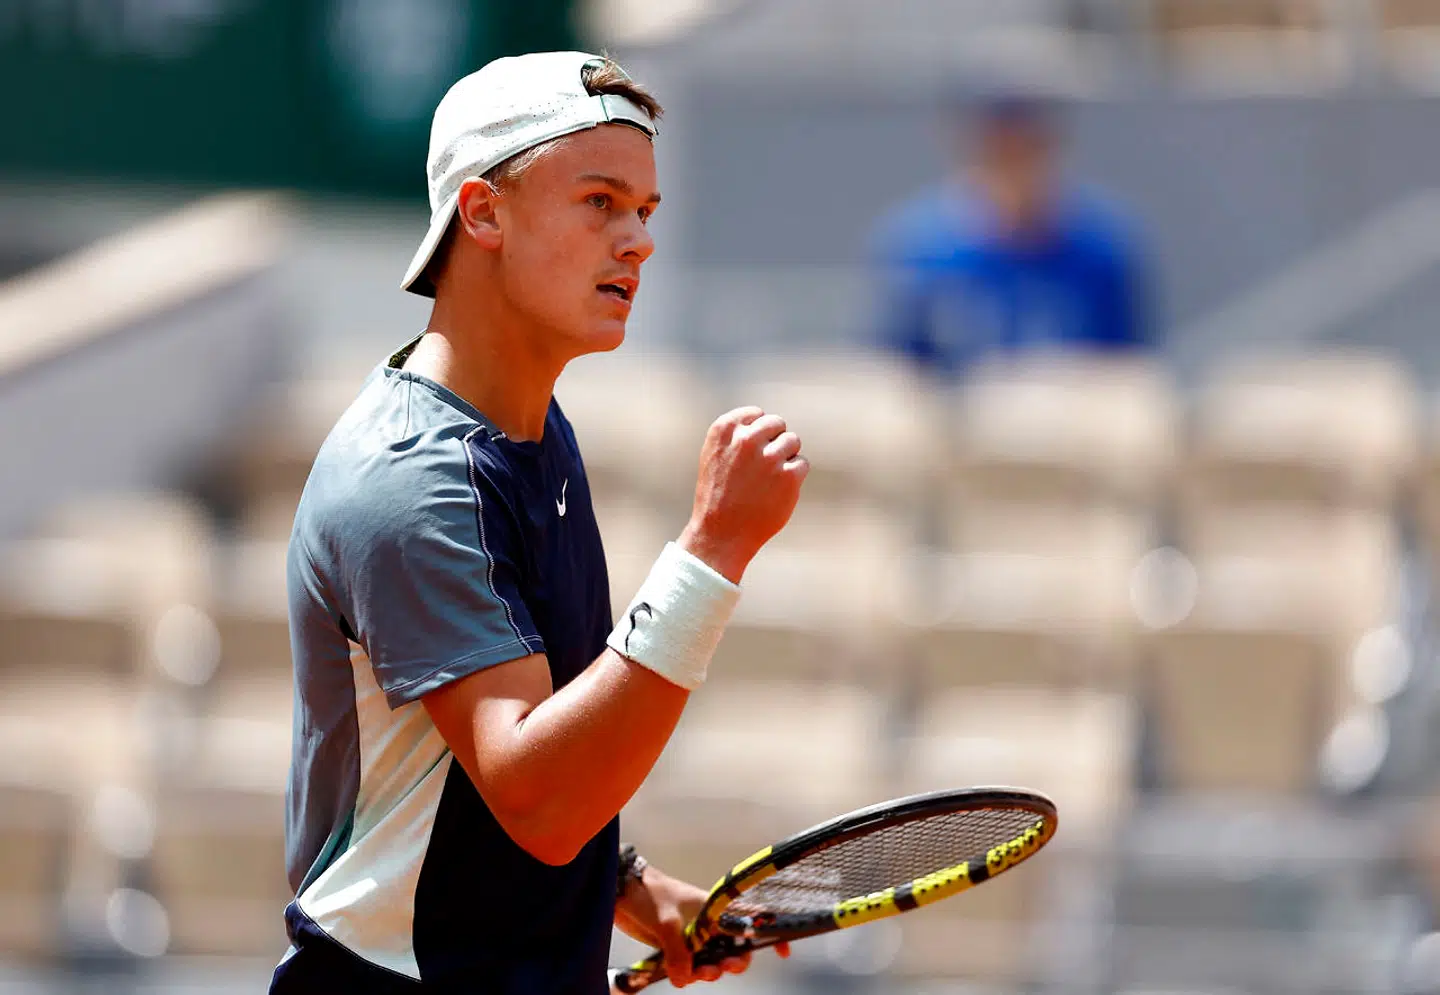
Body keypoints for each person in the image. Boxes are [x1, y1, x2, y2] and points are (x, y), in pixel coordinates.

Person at [271, 52, 806, 993]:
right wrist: (712, 550)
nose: (637, 239)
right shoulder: (411, 481)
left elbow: (493, 765)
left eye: (645, 210)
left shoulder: (534, 428)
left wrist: (626, 886)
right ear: (482, 213)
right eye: (600, 201)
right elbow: (539, 799)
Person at [872, 88, 1153, 377]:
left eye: (1026, 147)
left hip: (1068, 412)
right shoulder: (922, 250)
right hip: (959, 413)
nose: (1012, 164)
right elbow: (895, 372)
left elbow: (1126, 368)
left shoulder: (1101, 248)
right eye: (998, 149)